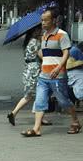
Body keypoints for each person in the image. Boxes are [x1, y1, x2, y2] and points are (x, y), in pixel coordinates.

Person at [22, 7, 81, 137]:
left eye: (46, 20)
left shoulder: (62, 34)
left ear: (54, 20)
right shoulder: (44, 36)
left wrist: (59, 67)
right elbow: (45, 53)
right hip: (44, 75)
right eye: (42, 20)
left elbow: (66, 53)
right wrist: (39, 55)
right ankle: (36, 129)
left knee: (64, 101)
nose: (43, 23)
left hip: (58, 76)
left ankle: (75, 122)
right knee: (40, 101)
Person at [7, 26, 51, 125]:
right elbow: (42, 57)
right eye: (40, 30)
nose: (41, 31)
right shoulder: (35, 42)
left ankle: (17, 114)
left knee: (31, 95)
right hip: (35, 71)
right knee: (38, 94)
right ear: (35, 31)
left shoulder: (27, 41)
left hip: (28, 70)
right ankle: (15, 113)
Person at [66, 42, 83, 107]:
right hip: (73, 72)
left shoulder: (74, 49)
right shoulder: (76, 51)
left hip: (73, 72)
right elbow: (68, 65)